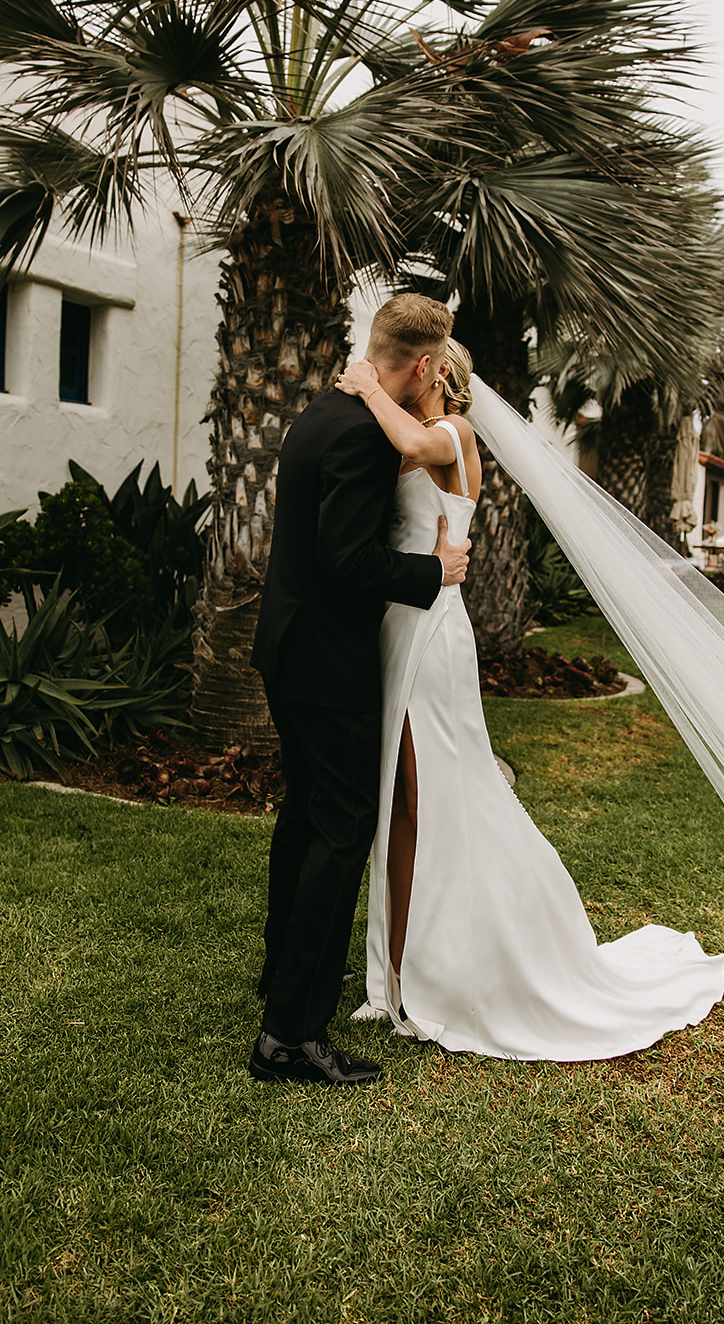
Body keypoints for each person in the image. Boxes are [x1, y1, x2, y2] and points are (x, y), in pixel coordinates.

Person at [337, 342, 724, 1061]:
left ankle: (428, 969)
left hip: (429, 634)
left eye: (408, 366)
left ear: (435, 373)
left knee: (424, 796)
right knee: (402, 798)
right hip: (400, 621)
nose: (392, 374)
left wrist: (364, 386)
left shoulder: (453, 434)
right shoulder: (408, 437)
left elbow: (410, 439)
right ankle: (395, 968)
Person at [248, 295, 471, 1085]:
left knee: (305, 816)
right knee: (342, 830)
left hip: (288, 645)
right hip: (328, 661)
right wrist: (430, 572)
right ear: (422, 365)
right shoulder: (364, 436)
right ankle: (290, 1036)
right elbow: (347, 561)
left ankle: (285, 977)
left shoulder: (319, 414)